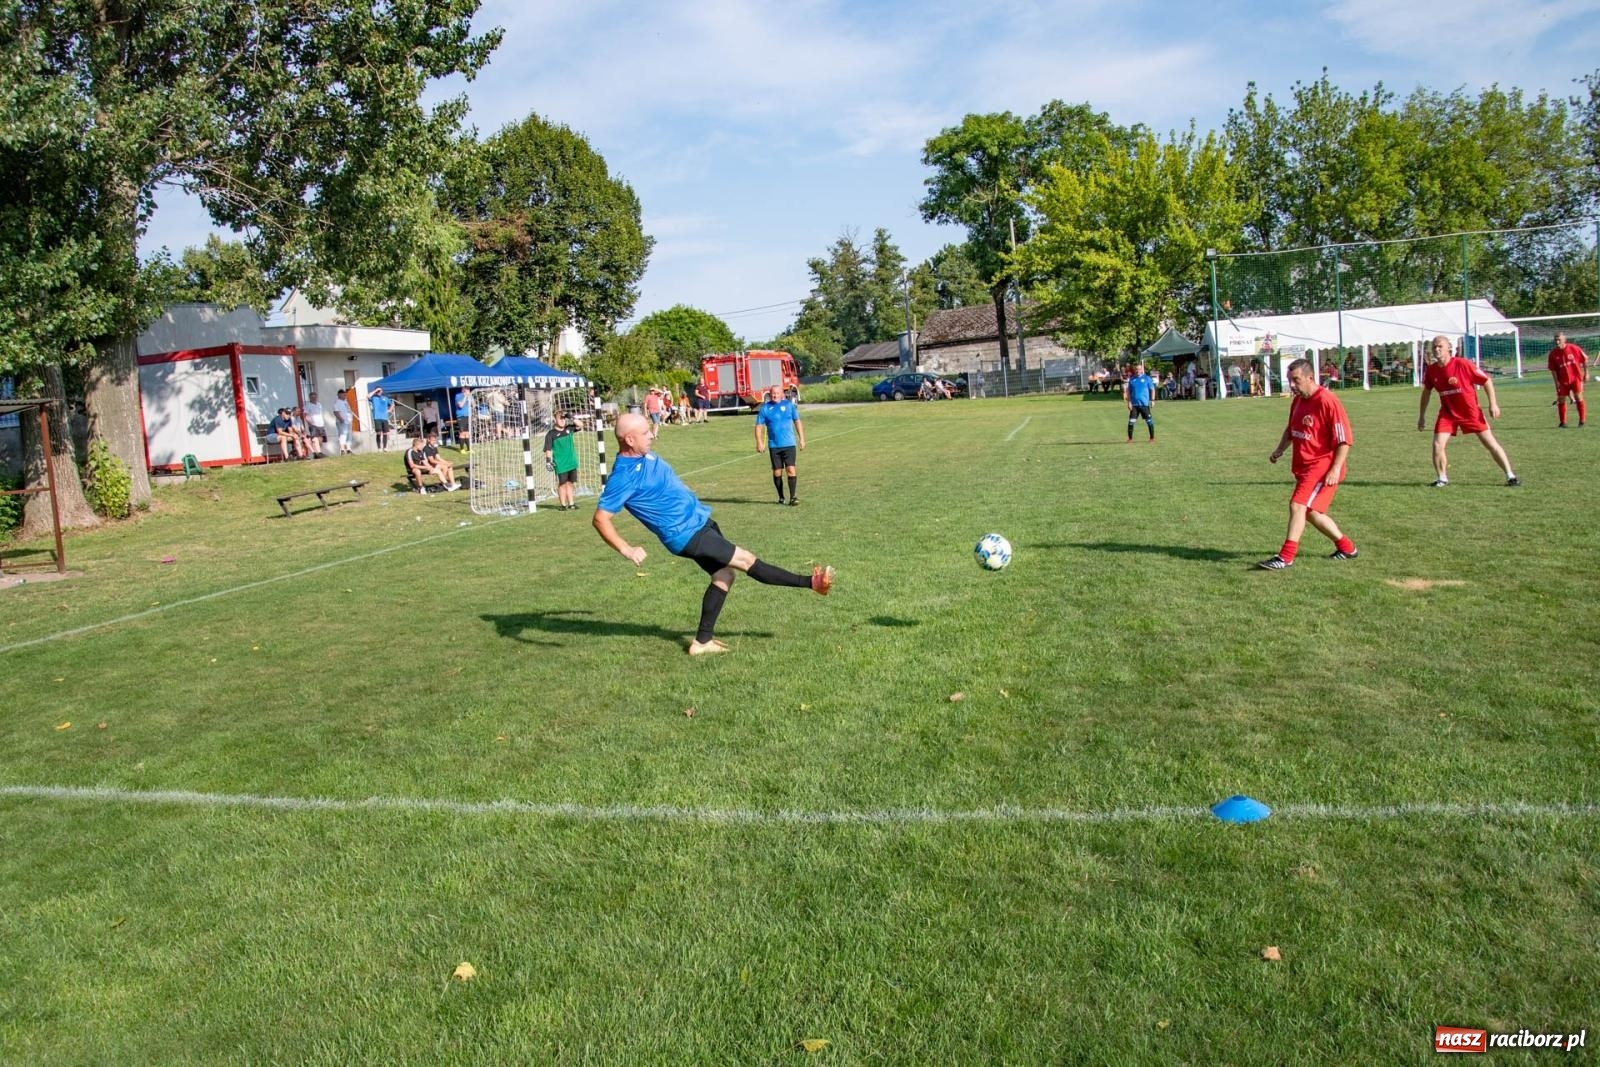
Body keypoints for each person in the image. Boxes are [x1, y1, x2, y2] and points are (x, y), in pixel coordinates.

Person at [593, 412, 833, 656]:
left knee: (724, 576)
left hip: (700, 521)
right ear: (629, 440)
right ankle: (811, 584)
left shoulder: (645, 455)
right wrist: (627, 549)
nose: (652, 435)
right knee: (746, 560)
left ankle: (702, 642)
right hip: (686, 535)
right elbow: (600, 519)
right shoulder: (623, 476)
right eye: (645, 433)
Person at [1258, 358, 1359, 570]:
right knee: (1312, 513)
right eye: (1290, 381)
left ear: (1310, 377)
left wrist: (1335, 468)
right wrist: (1279, 450)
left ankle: (1286, 556)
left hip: (1321, 466)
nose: (1292, 386)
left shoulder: (1327, 401)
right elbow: (1291, 429)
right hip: (1304, 467)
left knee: (1297, 505)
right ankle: (1347, 548)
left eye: (1296, 380)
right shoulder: (1298, 400)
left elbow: (1344, 440)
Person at [1418, 335, 1519, 488]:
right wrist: (1422, 416)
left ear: (1449, 348)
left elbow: (1486, 381)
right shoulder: (1431, 371)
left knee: (1490, 444)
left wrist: (1493, 404)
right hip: (1448, 413)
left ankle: (1510, 476)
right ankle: (1442, 478)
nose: (1436, 349)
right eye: (1434, 347)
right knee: (1438, 444)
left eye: (1440, 346)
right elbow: (1426, 392)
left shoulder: (1463, 364)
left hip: (1470, 412)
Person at [754, 384, 805, 505]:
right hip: (774, 446)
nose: (774, 395)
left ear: (782, 394)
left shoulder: (789, 405)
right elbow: (758, 426)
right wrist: (759, 442)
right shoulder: (765, 408)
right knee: (777, 472)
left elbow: (797, 421)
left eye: (777, 393)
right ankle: (781, 497)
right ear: (770, 394)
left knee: (791, 469)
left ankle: (793, 497)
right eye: (772, 393)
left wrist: (801, 438)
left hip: (789, 444)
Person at [1547, 331, 1588, 428]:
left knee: (1578, 397)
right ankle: (1563, 422)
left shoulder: (1574, 348)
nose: (1557, 342)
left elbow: (1585, 358)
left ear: (1564, 339)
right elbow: (1553, 370)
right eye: (1556, 340)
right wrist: (1556, 383)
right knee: (1561, 399)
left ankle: (1582, 420)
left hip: (1576, 378)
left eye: (1559, 340)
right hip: (1563, 380)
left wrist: (1587, 373)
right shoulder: (1553, 354)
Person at [543, 408, 581, 510]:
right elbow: (548, 449)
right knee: (562, 484)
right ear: (555, 420)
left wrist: (571, 417)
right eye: (560, 418)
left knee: (570, 483)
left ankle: (571, 504)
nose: (563, 420)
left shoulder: (569, 429)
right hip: (561, 464)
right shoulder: (551, 434)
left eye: (564, 418)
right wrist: (548, 461)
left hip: (571, 462)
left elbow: (580, 425)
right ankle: (563, 505)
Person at [1123, 361, 1156, 443]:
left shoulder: (1147, 378)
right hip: (1134, 405)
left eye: (1139, 369)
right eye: (1136, 369)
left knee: (1149, 421)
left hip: (1144, 404)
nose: (1137, 371)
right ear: (1134, 370)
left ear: (1142, 370)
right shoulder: (1132, 379)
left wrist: (1152, 400)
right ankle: (1130, 439)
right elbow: (1128, 392)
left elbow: (1152, 389)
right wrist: (1129, 402)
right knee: (1131, 422)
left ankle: (1152, 438)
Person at [302, 393, 327, 457]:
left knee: (320, 439)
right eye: (312, 397)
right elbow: (305, 414)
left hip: (321, 424)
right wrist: (309, 422)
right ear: (310, 398)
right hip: (313, 424)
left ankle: (317, 453)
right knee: (314, 438)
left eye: (315, 397)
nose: (314, 398)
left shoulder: (319, 404)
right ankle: (318, 452)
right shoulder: (307, 405)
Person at [369, 387, 394, 452]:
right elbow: (367, 396)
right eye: (378, 390)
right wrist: (375, 390)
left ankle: (385, 447)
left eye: (380, 390)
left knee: (385, 433)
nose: (379, 391)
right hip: (377, 417)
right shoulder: (374, 398)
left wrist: (389, 410)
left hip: (384, 417)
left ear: (382, 391)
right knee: (379, 433)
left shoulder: (385, 398)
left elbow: (392, 404)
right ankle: (379, 448)